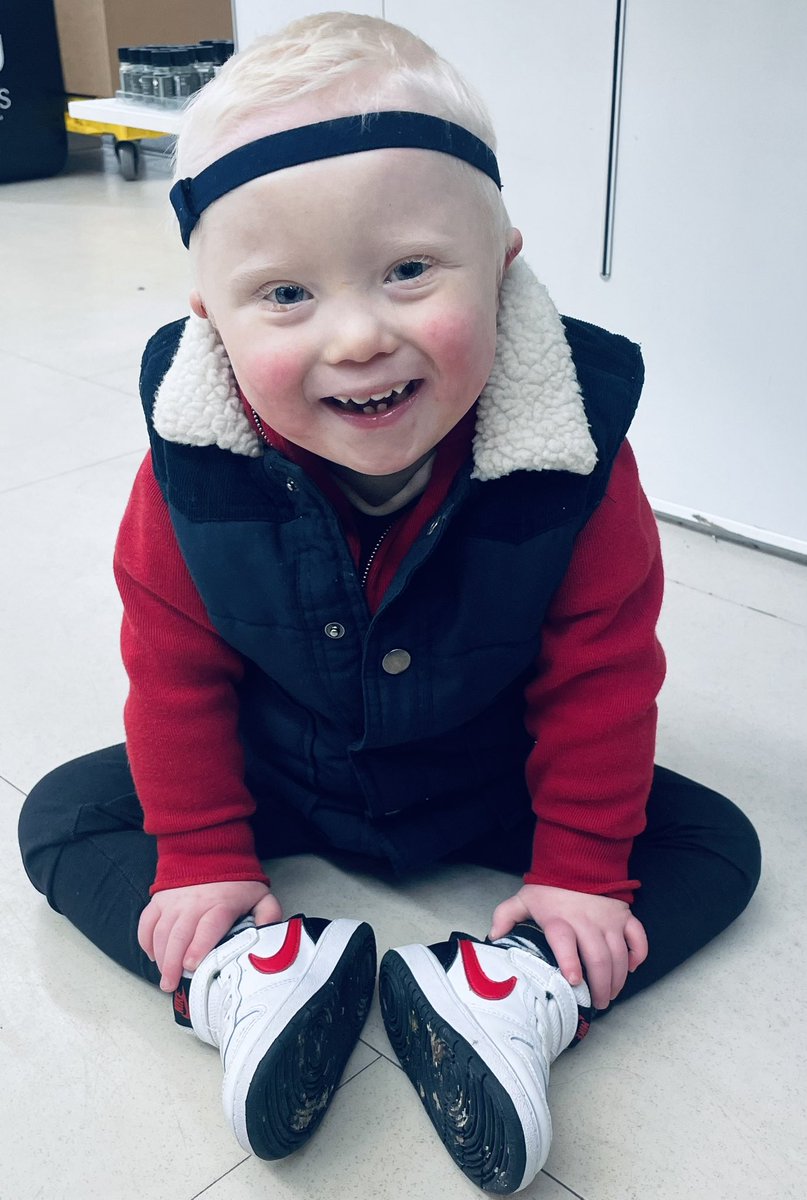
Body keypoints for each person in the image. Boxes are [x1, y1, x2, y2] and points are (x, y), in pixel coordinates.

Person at [17, 12, 761, 1194]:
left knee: (714, 844)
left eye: (410, 270)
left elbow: (605, 671)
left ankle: (511, 991)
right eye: (285, 294)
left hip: (487, 771)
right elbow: (173, 673)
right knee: (63, 815)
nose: (360, 334)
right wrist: (205, 856)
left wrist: (578, 868)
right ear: (208, 314)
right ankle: (248, 975)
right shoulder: (192, 467)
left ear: (503, 260)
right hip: (284, 766)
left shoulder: (569, 457)